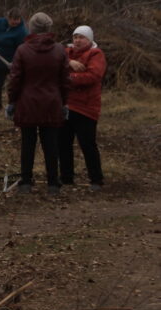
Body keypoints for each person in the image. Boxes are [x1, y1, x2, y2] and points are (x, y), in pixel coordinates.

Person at [6, 12, 71, 194]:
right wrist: (65, 103)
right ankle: (52, 182)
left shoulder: (23, 50)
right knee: (51, 143)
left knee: (28, 143)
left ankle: (26, 181)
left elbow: (15, 79)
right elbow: (65, 80)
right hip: (51, 102)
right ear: (49, 28)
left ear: (31, 28)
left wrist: (12, 102)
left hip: (27, 103)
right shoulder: (59, 50)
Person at [61, 25, 106, 191]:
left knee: (87, 144)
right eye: (75, 37)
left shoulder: (96, 54)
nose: (77, 40)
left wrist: (68, 77)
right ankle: (66, 178)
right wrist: (69, 63)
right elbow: (54, 64)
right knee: (63, 143)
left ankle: (96, 179)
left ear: (89, 39)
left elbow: (92, 76)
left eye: (82, 37)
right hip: (66, 105)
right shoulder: (66, 53)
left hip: (86, 107)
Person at [0, 9, 27, 111]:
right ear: (8, 18)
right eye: (13, 20)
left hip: (14, 63)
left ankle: (15, 105)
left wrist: (16, 62)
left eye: (18, 20)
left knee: (16, 85)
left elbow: (23, 49)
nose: (15, 22)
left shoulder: (22, 32)